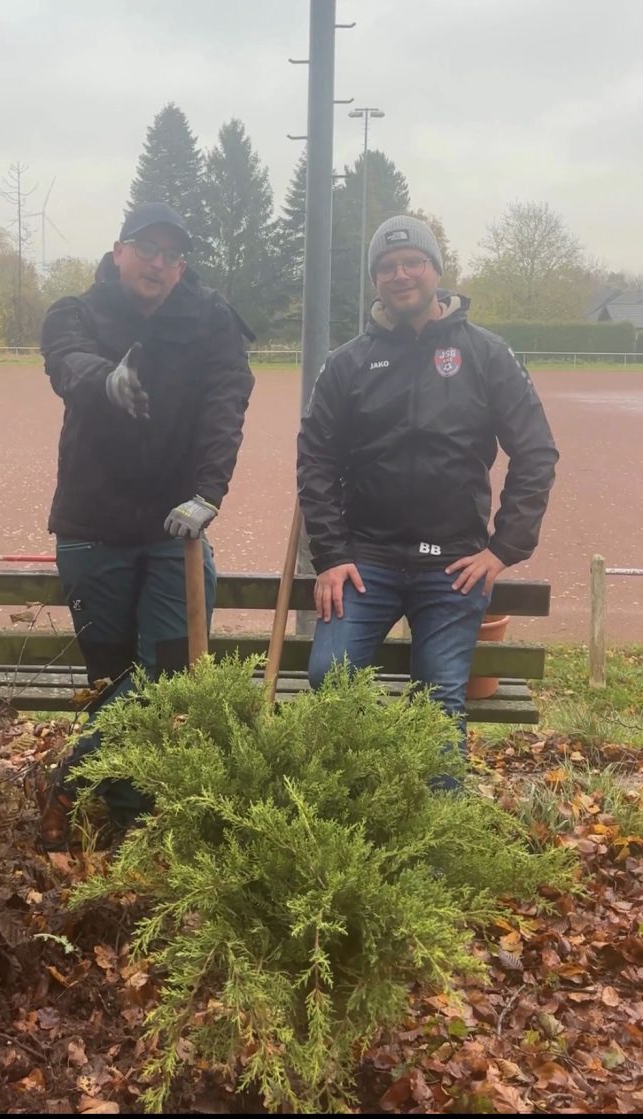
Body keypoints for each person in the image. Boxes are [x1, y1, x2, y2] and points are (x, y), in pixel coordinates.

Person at [297, 214, 558, 783]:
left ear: (436, 271)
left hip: (454, 566)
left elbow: (536, 452)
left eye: (412, 262)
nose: (400, 275)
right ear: (376, 281)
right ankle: (359, 798)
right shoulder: (349, 363)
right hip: (366, 562)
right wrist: (332, 554)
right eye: (387, 267)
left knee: (441, 699)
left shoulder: (487, 354)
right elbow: (315, 460)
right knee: (328, 677)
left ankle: (434, 839)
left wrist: (503, 549)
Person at [38, 201, 255, 848]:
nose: (156, 262)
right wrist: (108, 380)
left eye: (169, 253)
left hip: (173, 532)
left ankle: (74, 786)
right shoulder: (75, 312)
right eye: (145, 248)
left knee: (166, 675)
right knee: (108, 680)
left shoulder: (211, 319)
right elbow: (66, 362)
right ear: (118, 252)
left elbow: (227, 401)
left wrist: (208, 494)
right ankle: (123, 810)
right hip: (91, 526)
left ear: (181, 266)